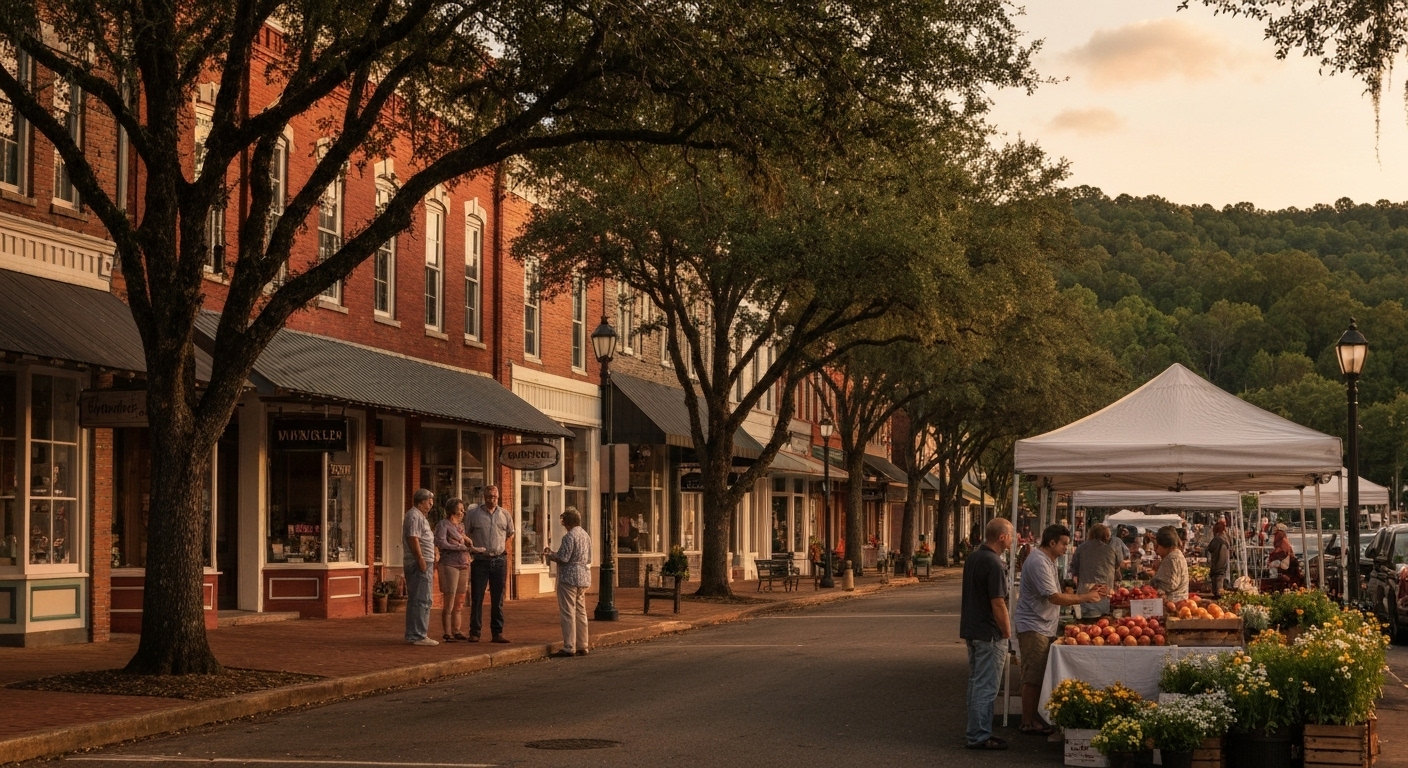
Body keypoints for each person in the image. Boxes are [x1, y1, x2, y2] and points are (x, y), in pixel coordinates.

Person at [1014, 524, 1107, 736]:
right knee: (1033, 675)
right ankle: (1027, 721)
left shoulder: (1047, 561)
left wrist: (1085, 591)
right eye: (1064, 543)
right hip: (1034, 625)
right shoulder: (1039, 562)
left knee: (1038, 672)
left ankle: (1034, 717)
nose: (1067, 547)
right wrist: (1085, 598)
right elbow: (1054, 597)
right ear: (1052, 542)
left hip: (1043, 623)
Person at [960, 517, 1013, 751]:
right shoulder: (994, 563)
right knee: (987, 685)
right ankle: (979, 734)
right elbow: (998, 602)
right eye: (1011, 535)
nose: (1013, 539)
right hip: (989, 632)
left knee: (976, 682)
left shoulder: (974, 558)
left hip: (972, 628)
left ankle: (976, 729)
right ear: (1002, 537)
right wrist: (1007, 632)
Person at [466, 485, 514, 643]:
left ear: (498, 497)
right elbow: (467, 534)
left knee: (498, 598)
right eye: (489, 497)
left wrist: (498, 547)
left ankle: (497, 632)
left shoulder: (505, 514)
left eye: (494, 497)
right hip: (480, 560)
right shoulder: (474, 514)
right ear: (484, 497)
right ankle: (475, 632)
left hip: (499, 559)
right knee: (477, 597)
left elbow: (509, 534)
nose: (491, 499)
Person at [544, 507, 592, 658]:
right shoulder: (585, 535)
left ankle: (569, 646)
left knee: (567, 611)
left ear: (568, 522)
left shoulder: (569, 537)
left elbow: (563, 558)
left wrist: (550, 554)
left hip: (569, 577)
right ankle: (583, 644)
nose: (563, 524)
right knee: (580, 611)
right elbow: (589, 558)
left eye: (564, 521)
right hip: (583, 576)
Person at [434, 498, 476, 642]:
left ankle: (457, 629)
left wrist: (468, 541)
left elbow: (462, 537)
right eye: (460, 509)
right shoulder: (443, 525)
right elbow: (440, 542)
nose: (463, 512)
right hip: (449, 564)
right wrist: (458, 547)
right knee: (450, 597)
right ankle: (447, 632)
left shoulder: (461, 527)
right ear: (452, 510)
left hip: (464, 563)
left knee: (460, 598)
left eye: (463, 509)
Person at [402, 488, 438, 646]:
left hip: (425, 561)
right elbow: (413, 538)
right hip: (418, 563)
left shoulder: (420, 517)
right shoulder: (414, 516)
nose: (431, 504)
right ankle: (418, 634)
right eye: (429, 500)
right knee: (422, 598)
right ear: (421, 501)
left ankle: (414, 633)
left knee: (419, 598)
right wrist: (421, 558)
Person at [1071, 524, 1121, 619]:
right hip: (1106, 593)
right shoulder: (1111, 550)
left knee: (1087, 623)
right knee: (1105, 623)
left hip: (1086, 593)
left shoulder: (1081, 548)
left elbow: (1074, 570)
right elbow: (1117, 567)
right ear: (1106, 536)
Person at [1148, 525, 1189, 601]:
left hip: (1172, 602)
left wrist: (1154, 582)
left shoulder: (1172, 558)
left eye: (1158, 546)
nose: (1157, 551)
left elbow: (1170, 584)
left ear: (1165, 545)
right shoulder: (1177, 555)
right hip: (1179, 600)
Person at [1205, 521, 1231, 598]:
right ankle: (1219, 592)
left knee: (1217, 576)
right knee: (1220, 575)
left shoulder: (1217, 539)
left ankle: (1218, 593)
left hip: (1218, 560)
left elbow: (1210, 548)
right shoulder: (1226, 538)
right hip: (1223, 561)